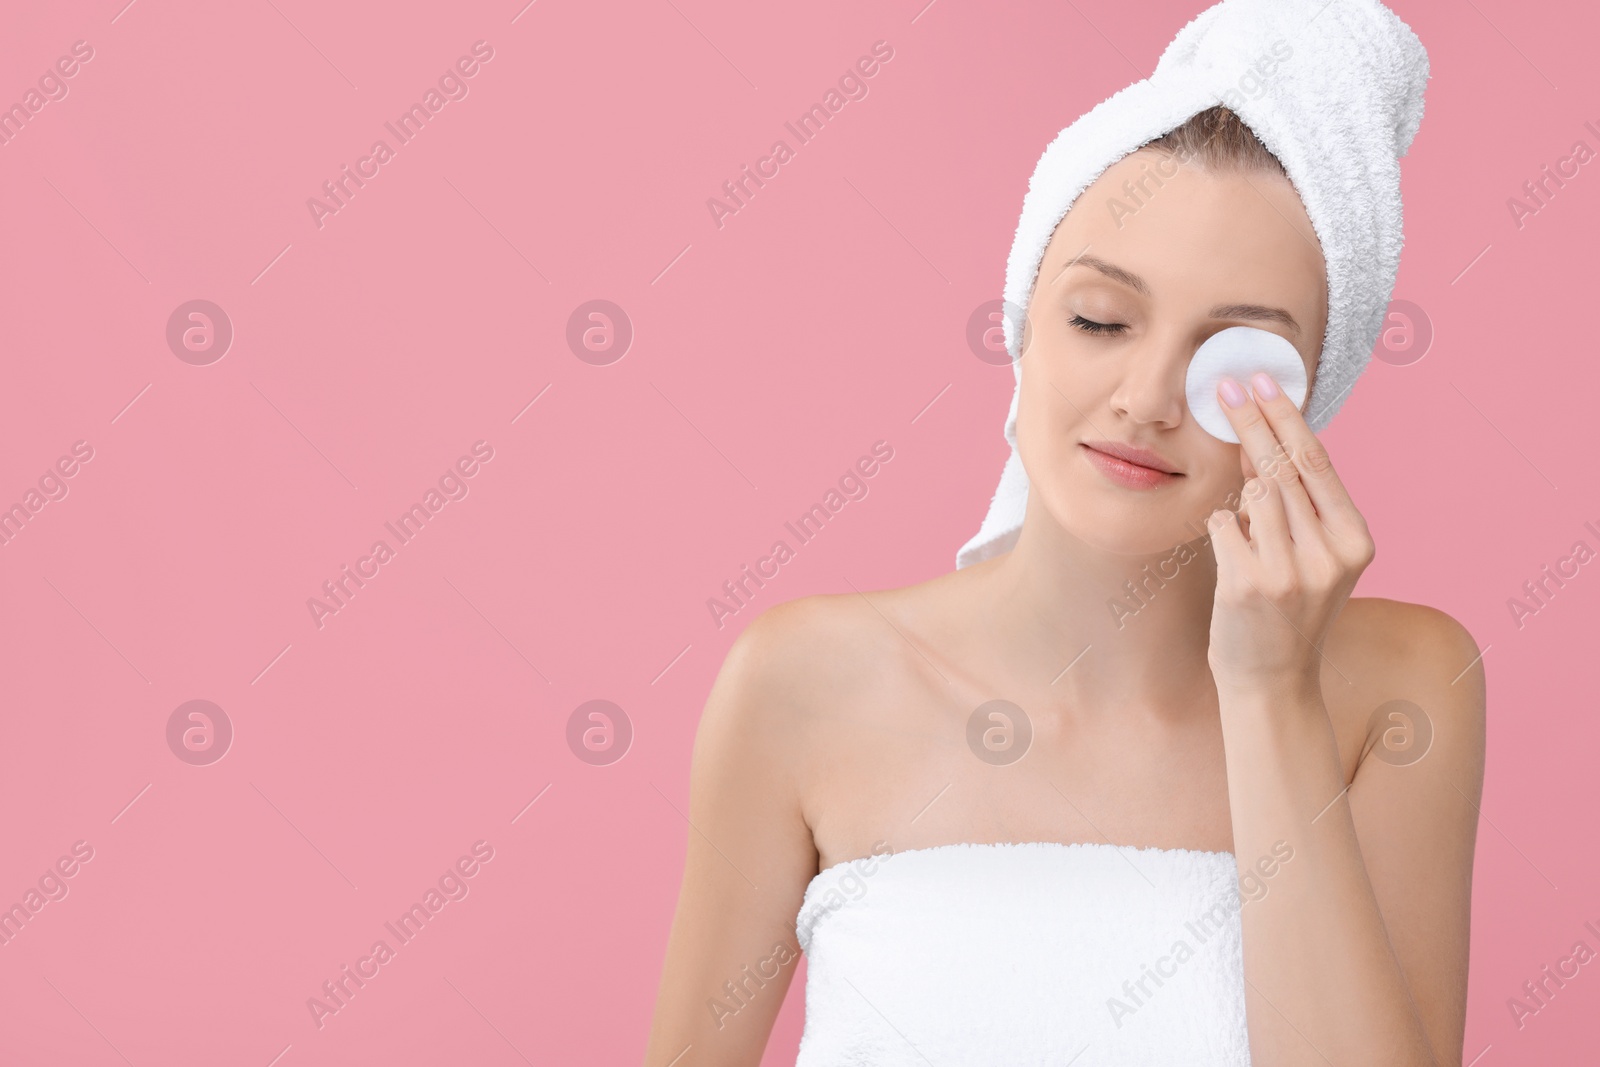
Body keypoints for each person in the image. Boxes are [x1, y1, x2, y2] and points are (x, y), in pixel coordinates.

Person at [644, 5, 1483, 1065]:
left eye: (1233, 361)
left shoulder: (1399, 688)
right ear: (1022, 321)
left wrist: (1271, 695)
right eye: (1099, 319)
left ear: (1309, 397)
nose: (1144, 397)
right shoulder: (801, 681)